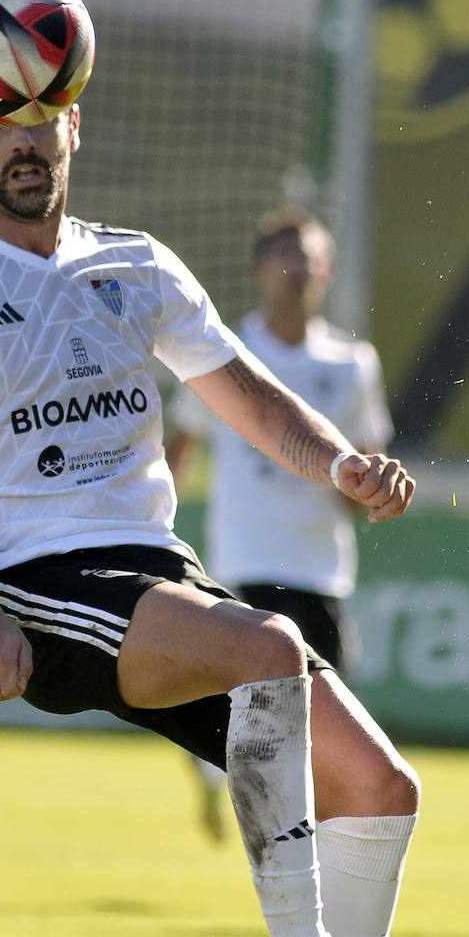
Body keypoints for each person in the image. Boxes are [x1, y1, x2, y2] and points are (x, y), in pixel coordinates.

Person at [0, 0, 420, 937]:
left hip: (160, 576)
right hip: (39, 590)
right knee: (269, 642)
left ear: (74, 123)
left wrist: (341, 462)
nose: (21, 140)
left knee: (381, 787)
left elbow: (247, 394)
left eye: (40, 117)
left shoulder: (138, 264)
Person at [165, 208, 395, 842]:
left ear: (330, 271)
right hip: (245, 568)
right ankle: (257, 825)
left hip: (322, 572)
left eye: (312, 258)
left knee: (327, 737)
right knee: (257, 734)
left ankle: (277, 828)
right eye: (286, 257)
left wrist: (370, 491)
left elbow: (368, 463)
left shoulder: (353, 364)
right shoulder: (225, 351)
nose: (300, 270)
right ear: (258, 269)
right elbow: (180, 444)